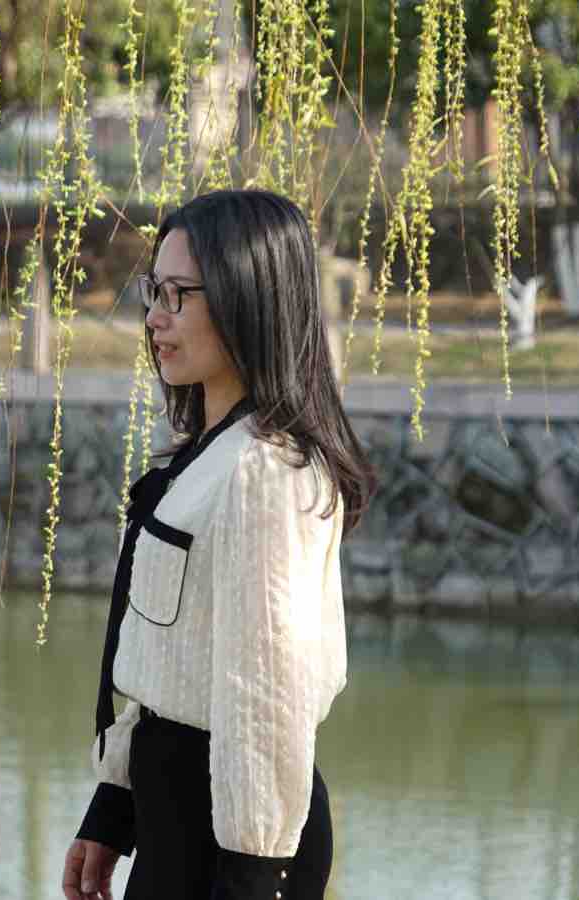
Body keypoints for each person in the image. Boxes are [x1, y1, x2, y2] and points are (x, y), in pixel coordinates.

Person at [62, 189, 376, 900]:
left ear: (246, 299)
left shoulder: (265, 473)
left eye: (179, 295)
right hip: (175, 817)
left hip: (233, 844)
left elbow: (265, 697)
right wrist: (114, 807)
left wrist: (252, 878)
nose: (155, 316)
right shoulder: (210, 453)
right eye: (154, 291)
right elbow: (174, 656)